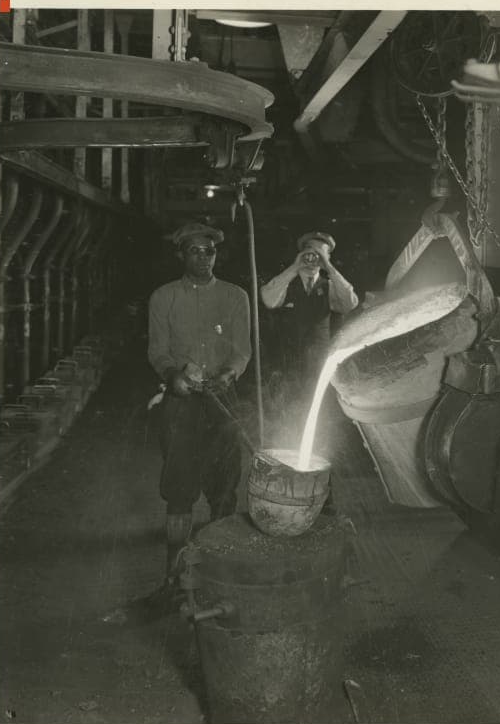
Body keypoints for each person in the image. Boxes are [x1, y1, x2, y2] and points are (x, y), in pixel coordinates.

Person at [146, 222, 251, 603]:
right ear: (181, 255)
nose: (203, 258)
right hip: (182, 396)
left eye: (209, 251)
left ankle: (221, 570)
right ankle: (174, 574)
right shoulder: (163, 298)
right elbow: (157, 350)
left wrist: (229, 372)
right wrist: (173, 376)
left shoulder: (236, 296)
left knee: (225, 481)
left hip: (223, 395)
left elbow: (242, 349)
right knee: (179, 481)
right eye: (195, 251)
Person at [259, 231, 359, 411]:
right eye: (310, 252)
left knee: (320, 413)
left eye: (320, 254)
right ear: (301, 253)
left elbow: (350, 303)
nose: (314, 258)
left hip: (318, 367)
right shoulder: (287, 283)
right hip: (286, 367)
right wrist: (294, 267)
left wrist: (329, 267)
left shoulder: (329, 286)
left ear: (327, 258)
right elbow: (268, 298)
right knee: (286, 415)